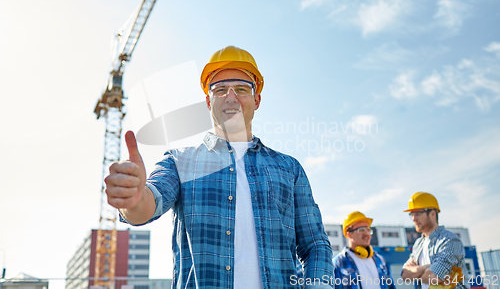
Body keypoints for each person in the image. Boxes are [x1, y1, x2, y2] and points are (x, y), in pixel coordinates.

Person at [104, 45, 334, 288]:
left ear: (256, 100)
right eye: (220, 89)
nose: (230, 97)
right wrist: (134, 199)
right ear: (208, 101)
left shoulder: (290, 169)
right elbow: (147, 205)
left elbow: (315, 244)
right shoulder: (179, 162)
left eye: (242, 89)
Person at [401, 192, 468, 289]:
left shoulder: (450, 240)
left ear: (432, 214)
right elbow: (405, 275)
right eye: (411, 214)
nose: (413, 219)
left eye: (418, 213)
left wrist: (416, 273)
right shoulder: (418, 244)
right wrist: (426, 267)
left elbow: (434, 277)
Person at [333, 211, 396, 289]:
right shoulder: (339, 263)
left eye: (368, 229)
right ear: (349, 234)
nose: (367, 234)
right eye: (361, 230)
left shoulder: (380, 260)